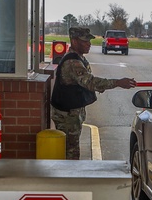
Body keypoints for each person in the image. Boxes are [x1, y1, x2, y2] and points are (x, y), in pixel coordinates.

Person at [50, 27, 136, 159]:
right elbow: (90, 82)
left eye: (89, 40)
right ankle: (69, 176)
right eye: (85, 41)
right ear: (74, 41)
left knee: (71, 147)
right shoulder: (73, 62)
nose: (89, 44)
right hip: (67, 115)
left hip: (72, 112)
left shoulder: (78, 58)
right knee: (70, 151)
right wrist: (117, 82)